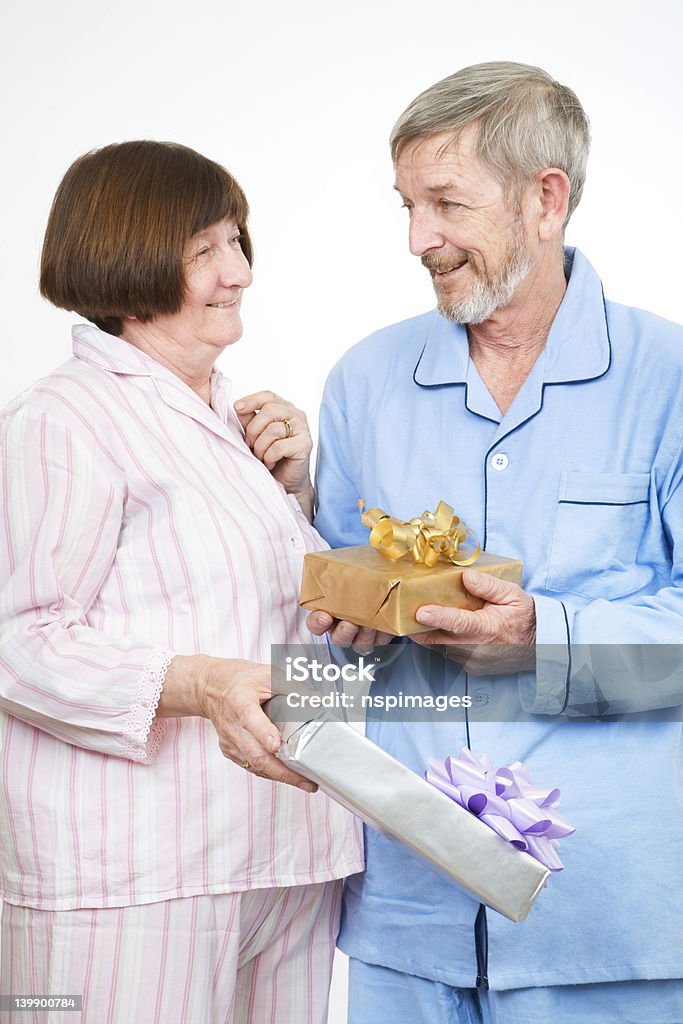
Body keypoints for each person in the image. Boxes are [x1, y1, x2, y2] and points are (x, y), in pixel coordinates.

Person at [309, 62, 683, 1023]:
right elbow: (324, 659)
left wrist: (541, 639)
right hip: (405, 922)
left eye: (444, 203)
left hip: (607, 929)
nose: (415, 239)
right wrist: (322, 637)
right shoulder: (363, 380)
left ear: (543, 199)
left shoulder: (669, 379)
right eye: (405, 204)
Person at [0, 140, 363, 1023]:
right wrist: (199, 683)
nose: (238, 272)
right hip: (134, 873)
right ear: (126, 257)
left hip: (286, 851)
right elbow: (21, 639)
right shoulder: (64, 420)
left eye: (238, 242)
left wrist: (295, 493)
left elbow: (251, 603)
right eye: (205, 250)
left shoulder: (234, 424)